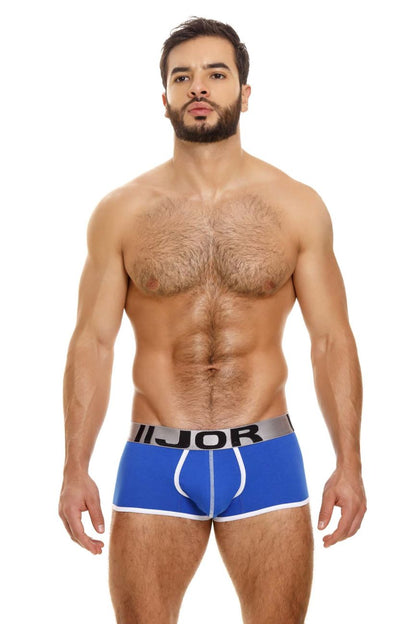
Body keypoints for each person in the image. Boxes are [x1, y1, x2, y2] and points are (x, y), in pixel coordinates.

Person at [58, 16, 367, 624]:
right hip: (155, 458)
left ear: (244, 93)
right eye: (182, 77)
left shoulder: (296, 206)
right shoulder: (121, 212)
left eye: (216, 74)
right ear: (165, 98)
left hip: (266, 457)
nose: (198, 86)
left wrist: (350, 464)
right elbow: (92, 343)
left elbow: (331, 341)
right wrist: (74, 468)